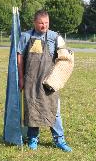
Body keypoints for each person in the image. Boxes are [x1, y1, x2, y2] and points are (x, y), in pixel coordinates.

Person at [17, 10, 72, 152]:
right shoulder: (25, 36)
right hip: (31, 81)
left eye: (46, 23)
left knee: (55, 111)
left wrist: (59, 76)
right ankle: (33, 138)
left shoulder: (54, 37)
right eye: (41, 23)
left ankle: (60, 140)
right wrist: (21, 78)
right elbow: (19, 57)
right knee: (32, 110)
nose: (44, 26)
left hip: (49, 82)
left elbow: (63, 57)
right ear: (34, 22)